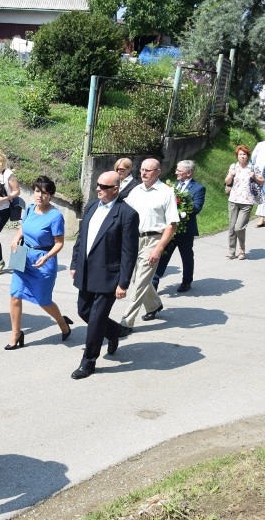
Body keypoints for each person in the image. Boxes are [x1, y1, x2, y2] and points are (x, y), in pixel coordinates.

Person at [69, 171, 138, 379]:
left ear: (115, 189)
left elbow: (129, 252)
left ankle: (88, 361)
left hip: (109, 275)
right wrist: (74, 263)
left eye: (103, 186)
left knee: (97, 319)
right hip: (87, 271)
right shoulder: (91, 206)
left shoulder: (127, 214)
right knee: (84, 311)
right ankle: (114, 331)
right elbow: (81, 239)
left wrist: (123, 283)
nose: (98, 188)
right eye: (98, 185)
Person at [4, 176, 72, 349]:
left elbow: (59, 243)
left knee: (44, 301)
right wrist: (16, 238)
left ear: (50, 195)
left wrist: (47, 256)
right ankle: (16, 333)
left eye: (44, 192)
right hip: (23, 254)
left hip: (43, 260)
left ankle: (63, 324)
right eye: (37, 191)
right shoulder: (30, 208)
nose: (40, 195)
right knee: (14, 295)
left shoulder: (55, 216)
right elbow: (23, 227)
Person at [120, 158, 178, 329]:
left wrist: (159, 248)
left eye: (148, 170)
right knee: (132, 277)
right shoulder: (136, 190)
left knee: (140, 281)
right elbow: (124, 213)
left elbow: (172, 225)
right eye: (142, 170)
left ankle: (126, 322)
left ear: (158, 172)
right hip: (133, 239)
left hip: (153, 239)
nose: (144, 173)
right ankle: (154, 304)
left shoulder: (166, 192)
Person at [153, 160, 206, 293]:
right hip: (170, 228)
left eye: (179, 170)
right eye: (177, 170)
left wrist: (180, 202)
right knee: (163, 255)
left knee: (186, 256)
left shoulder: (198, 188)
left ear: (189, 173)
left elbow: (197, 208)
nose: (176, 172)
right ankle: (155, 280)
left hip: (186, 230)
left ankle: (187, 281)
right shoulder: (174, 185)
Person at [224, 145, 264, 259]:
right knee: (232, 227)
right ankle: (232, 252)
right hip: (233, 200)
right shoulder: (233, 166)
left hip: (247, 201)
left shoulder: (253, 167)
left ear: (248, 156)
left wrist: (255, 176)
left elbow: (262, 182)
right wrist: (230, 174)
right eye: (240, 154)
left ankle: (242, 249)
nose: (242, 156)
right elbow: (227, 182)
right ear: (237, 156)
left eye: (244, 154)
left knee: (239, 227)